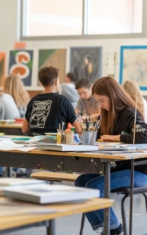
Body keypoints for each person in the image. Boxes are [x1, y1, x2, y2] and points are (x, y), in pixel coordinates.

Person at [75, 76, 147, 235]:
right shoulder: (106, 115)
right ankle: (104, 227)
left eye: (102, 100)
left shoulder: (130, 112)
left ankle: (113, 228)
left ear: (113, 95)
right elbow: (100, 138)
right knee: (81, 181)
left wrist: (116, 137)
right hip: (121, 167)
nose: (100, 105)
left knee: (95, 186)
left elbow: (144, 136)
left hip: (140, 170)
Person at [22, 66, 82, 135]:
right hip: (55, 143)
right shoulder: (63, 100)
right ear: (56, 82)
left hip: (33, 143)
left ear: (42, 82)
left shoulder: (33, 100)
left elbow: (25, 129)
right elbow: (79, 130)